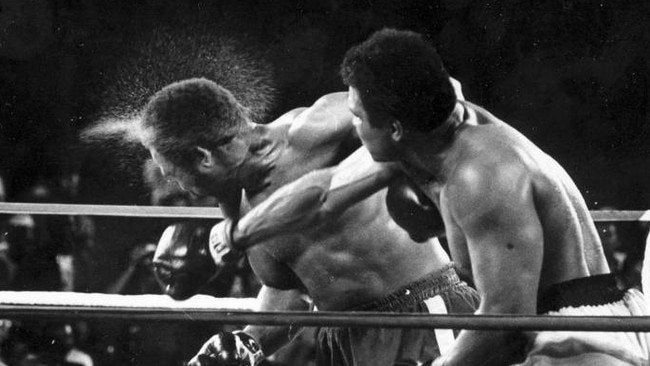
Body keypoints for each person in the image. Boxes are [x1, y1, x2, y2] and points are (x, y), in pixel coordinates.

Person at [224, 28, 650, 365]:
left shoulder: (480, 177)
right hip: (527, 328)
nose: (351, 127)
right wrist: (240, 231)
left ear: (392, 127)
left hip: (574, 336)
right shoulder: (418, 140)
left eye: (357, 116)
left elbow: (506, 323)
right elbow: (323, 192)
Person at [140, 77, 479, 366]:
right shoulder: (235, 209)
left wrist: (393, 163)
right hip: (341, 340)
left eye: (175, 175)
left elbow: (444, 92)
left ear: (203, 157)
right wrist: (249, 342)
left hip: (422, 317)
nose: (182, 188)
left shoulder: (313, 131)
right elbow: (291, 289)